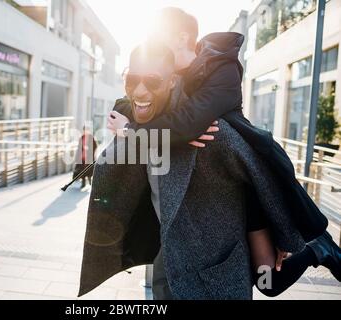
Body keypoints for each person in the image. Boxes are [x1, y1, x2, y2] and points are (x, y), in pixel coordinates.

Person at [107, 8, 340, 297]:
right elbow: (138, 99)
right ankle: (316, 248)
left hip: (250, 181)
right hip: (215, 196)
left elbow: (192, 122)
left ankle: (320, 247)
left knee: (268, 280)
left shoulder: (221, 67)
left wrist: (134, 131)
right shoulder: (172, 75)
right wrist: (127, 119)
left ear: (181, 38)